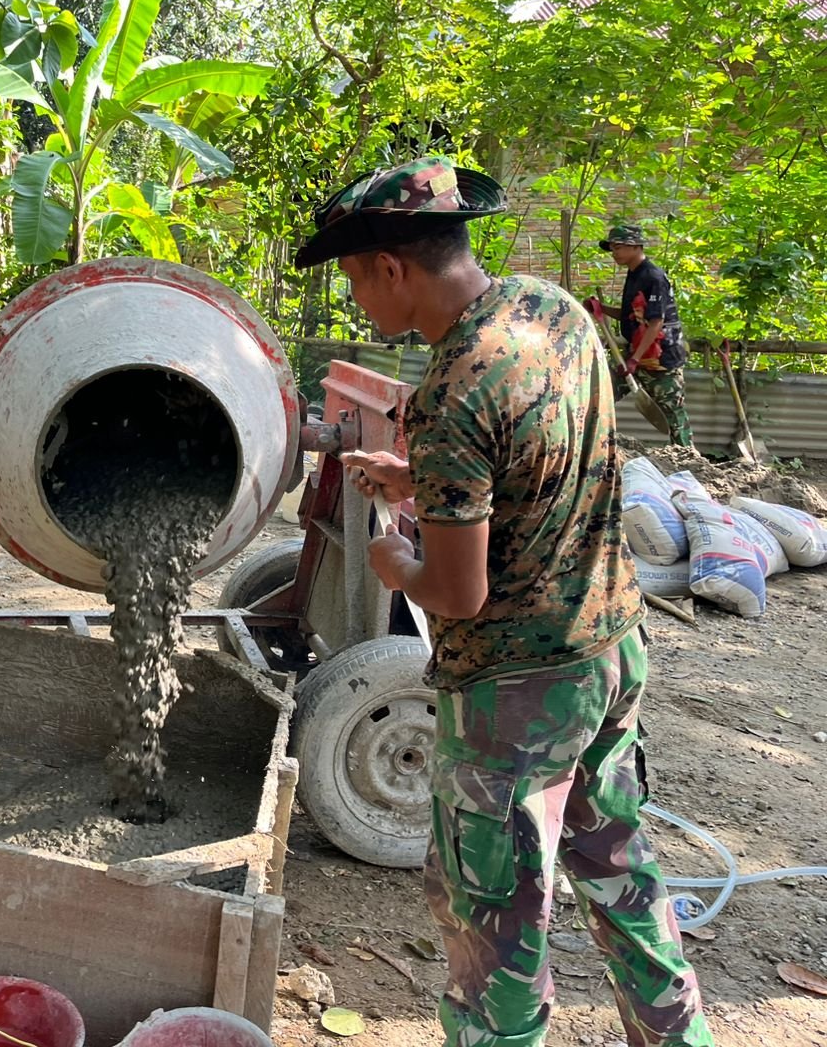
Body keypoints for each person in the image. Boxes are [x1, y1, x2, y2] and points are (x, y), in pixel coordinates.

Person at [298, 157, 712, 1047]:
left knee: (498, 924)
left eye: (356, 280)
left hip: (517, 692)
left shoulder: (452, 387)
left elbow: (457, 589)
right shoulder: (550, 311)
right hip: (609, 644)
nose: (358, 301)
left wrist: (394, 559)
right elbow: (542, 454)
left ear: (392, 268)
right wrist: (425, 480)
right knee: (619, 870)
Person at [588, 224, 692, 448]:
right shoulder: (634, 274)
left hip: (661, 359)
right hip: (636, 354)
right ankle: (591, 445)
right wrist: (601, 309)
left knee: (673, 414)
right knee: (601, 393)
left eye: (618, 248)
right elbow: (630, 316)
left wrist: (634, 360)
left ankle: (688, 459)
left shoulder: (654, 277)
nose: (614, 253)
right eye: (612, 249)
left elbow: (656, 323)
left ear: (635, 246)